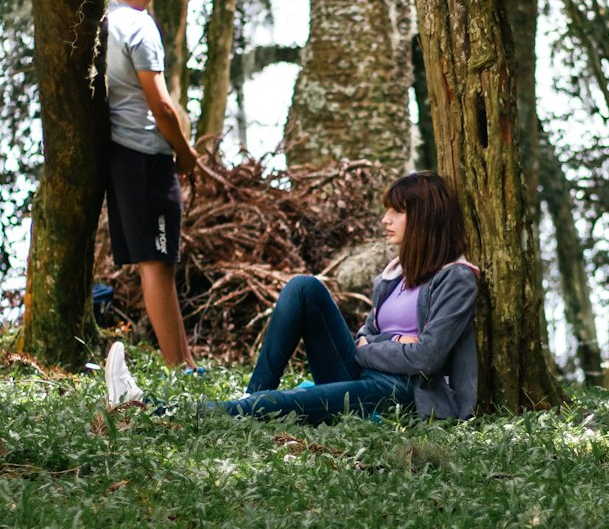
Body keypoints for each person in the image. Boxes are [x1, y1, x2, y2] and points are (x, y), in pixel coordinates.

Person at [104, 171, 479, 421]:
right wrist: (391, 344)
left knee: (285, 404)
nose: (385, 219)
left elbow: (428, 357)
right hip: (366, 373)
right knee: (304, 287)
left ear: (426, 219)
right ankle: (253, 395)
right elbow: (370, 335)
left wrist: (370, 348)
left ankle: (148, 410)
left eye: (397, 212)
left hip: (405, 394)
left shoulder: (456, 278)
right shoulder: (396, 273)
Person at [102, 0, 200, 385]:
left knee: (160, 260)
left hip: (122, 154)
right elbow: (160, 104)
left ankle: (187, 364)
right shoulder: (141, 28)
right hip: (146, 154)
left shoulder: (104, 20)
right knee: (157, 262)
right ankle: (178, 369)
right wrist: (186, 152)